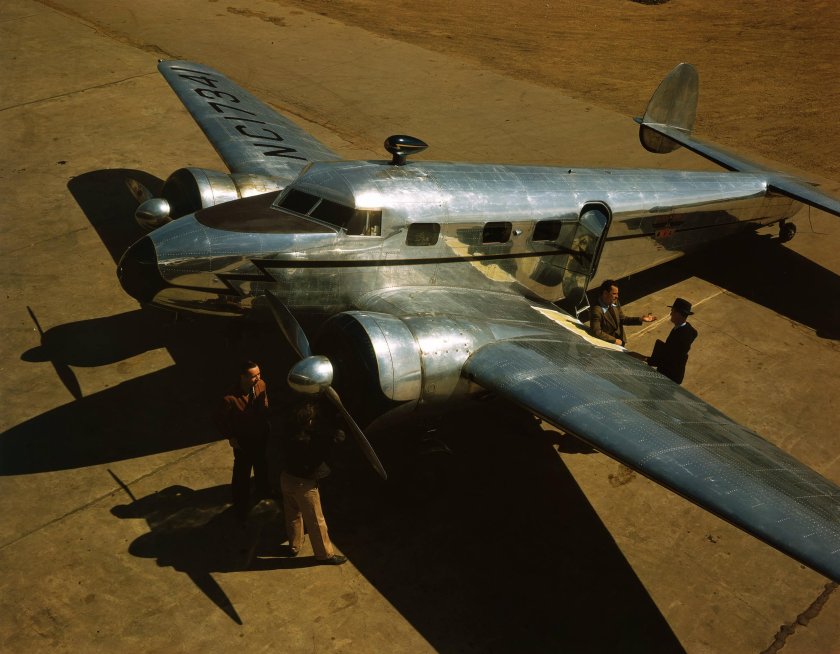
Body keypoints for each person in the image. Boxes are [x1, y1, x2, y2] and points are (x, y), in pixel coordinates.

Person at [279, 399, 347, 565]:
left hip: (286, 478)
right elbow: (333, 441)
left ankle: (294, 545)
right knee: (316, 520)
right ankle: (325, 554)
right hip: (303, 485)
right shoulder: (309, 441)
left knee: (292, 514)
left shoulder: (289, 432)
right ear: (308, 421)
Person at [214, 360, 272, 524]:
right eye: (254, 376)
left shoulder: (261, 384)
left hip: (261, 435)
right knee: (242, 473)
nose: (258, 378)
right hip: (244, 441)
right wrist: (230, 437)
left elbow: (265, 401)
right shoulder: (230, 398)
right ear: (243, 377)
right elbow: (219, 420)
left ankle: (263, 490)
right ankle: (240, 506)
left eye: (259, 374)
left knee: (262, 463)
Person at [647, 297, 698, 384]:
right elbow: (695, 333)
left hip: (669, 377)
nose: (670, 314)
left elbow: (672, 358)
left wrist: (648, 359)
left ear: (679, 314)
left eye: (673, 311)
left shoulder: (683, 336)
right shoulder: (686, 328)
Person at [590, 279, 656, 346]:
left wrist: (640, 319)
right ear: (605, 293)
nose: (617, 296)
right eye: (614, 294)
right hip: (609, 344)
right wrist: (614, 340)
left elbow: (622, 319)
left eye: (617, 293)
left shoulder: (615, 302)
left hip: (620, 341)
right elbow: (597, 332)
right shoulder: (596, 311)